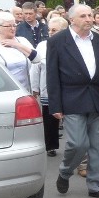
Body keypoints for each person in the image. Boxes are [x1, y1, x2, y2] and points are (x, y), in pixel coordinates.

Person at [47, 4, 99, 198]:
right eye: (83, 16)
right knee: (78, 143)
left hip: (98, 98)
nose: (89, 19)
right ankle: (65, 171)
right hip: (72, 99)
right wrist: (55, 105)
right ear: (72, 20)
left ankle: (95, 185)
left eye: (90, 15)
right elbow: (52, 75)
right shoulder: (58, 41)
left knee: (98, 145)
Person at [31, 15, 69, 156]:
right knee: (49, 118)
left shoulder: (70, 45)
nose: (51, 33)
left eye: (55, 30)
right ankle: (50, 145)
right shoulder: (42, 46)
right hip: (48, 88)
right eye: (50, 30)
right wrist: (35, 88)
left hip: (67, 88)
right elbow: (36, 68)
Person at [0, 12, 41, 91]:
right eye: (8, 26)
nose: (13, 28)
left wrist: (17, 45)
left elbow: (37, 59)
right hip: (3, 90)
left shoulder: (22, 40)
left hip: (26, 90)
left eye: (14, 25)